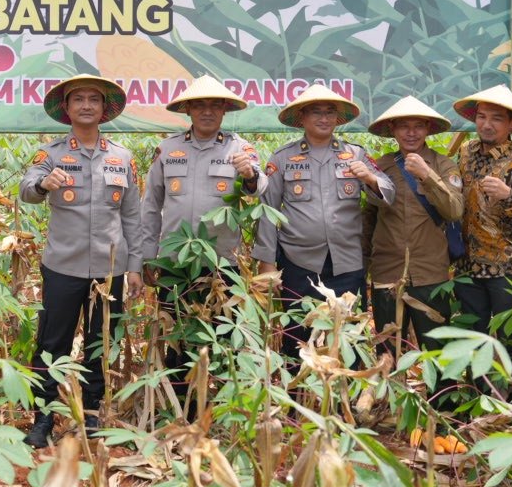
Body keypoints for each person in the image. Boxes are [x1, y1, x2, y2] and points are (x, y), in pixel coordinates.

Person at [19, 74, 145, 448]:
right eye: (79, 99)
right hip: (63, 266)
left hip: (110, 269)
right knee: (52, 343)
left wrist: (134, 266)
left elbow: (132, 216)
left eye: (94, 99)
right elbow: (27, 191)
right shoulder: (50, 155)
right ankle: (43, 418)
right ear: (67, 108)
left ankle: (91, 413)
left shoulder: (122, 157)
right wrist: (43, 185)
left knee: (100, 343)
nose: (86, 105)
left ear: (104, 109)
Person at [140, 75, 263, 403]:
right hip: (174, 262)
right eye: (199, 105)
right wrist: (147, 256)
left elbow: (259, 189)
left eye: (214, 105)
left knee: (221, 339)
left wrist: (250, 175)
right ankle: (179, 406)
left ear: (224, 110)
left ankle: (219, 408)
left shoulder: (240, 149)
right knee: (176, 337)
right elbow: (150, 206)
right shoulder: (168, 149)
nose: (207, 111)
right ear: (188, 110)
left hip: (222, 264)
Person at [254, 83, 394, 352]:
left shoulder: (356, 154)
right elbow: (268, 210)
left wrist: (370, 178)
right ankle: (297, 381)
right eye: (316, 112)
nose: (324, 118)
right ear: (302, 117)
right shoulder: (283, 158)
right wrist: (267, 264)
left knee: (348, 340)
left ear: (337, 118)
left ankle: (347, 382)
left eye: (330, 112)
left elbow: (389, 193)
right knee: (298, 341)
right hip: (298, 264)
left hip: (347, 264)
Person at [362, 96, 463, 355]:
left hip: (431, 273)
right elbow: (368, 219)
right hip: (387, 272)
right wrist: (364, 265)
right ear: (393, 129)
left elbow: (454, 211)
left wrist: (427, 176)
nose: (411, 133)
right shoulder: (381, 166)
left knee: (436, 353)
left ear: (428, 128)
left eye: (418, 126)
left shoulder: (443, 165)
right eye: (404, 126)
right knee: (387, 353)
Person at [450, 85, 512, 339]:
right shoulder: (466, 151)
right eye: (481, 117)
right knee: (473, 336)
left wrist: (508, 195)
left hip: (508, 267)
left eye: (496, 119)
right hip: (467, 265)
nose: (487, 124)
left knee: (510, 338)